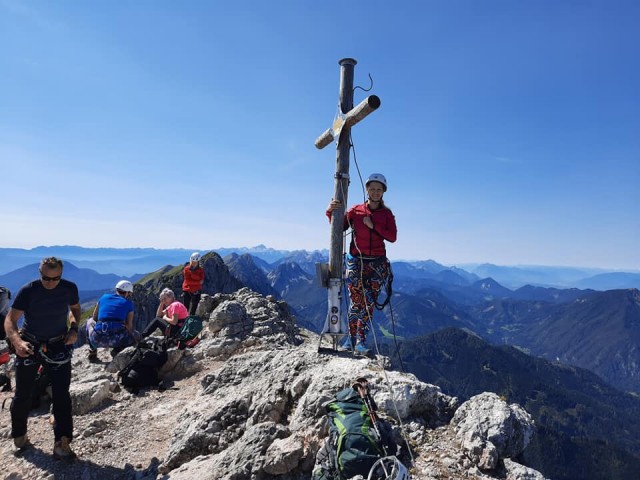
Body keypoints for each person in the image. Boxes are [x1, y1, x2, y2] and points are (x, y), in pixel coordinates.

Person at [3, 257, 81, 458]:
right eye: (46, 278)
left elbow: (74, 310)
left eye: (55, 279)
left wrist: (73, 328)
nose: (50, 283)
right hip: (29, 343)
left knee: (62, 395)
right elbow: (10, 320)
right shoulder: (28, 291)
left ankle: (62, 442)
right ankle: (19, 436)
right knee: (23, 394)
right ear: (40, 273)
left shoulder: (69, 288)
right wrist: (17, 342)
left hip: (58, 343)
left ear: (61, 275)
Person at [326, 173, 397, 355]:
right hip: (356, 261)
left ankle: (360, 340)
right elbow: (339, 227)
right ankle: (351, 340)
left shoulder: (387, 214)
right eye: (372, 189)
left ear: (383, 192)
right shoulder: (356, 211)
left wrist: (374, 226)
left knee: (368, 303)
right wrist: (330, 211)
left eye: (378, 190)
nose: (375, 192)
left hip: (376, 264)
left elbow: (392, 237)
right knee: (357, 301)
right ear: (367, 190)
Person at [86, 280, 139, 361]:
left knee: (89, 321)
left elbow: (94, 317)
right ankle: (118, 350)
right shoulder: (129, 303)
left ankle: (92, 352)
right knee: (136, 335)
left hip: (96, 339)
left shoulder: (104, 297)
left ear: (116, 289)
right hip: (116, 340)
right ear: (127, 293)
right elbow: (129, 326)